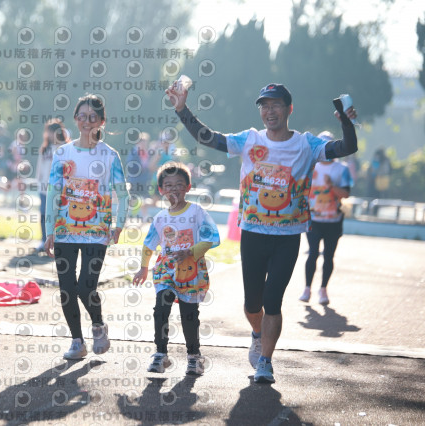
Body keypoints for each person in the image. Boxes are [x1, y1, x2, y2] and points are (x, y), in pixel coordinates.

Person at [165, 82, 358, 383]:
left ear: (289, 109)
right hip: (253, 232)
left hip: (288, 236)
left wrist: (346, 122)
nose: (269, 111)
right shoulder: (249, 139)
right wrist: (181, 109)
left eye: (276, 105)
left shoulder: (306, 144)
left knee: (273, 300)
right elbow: (209, 138)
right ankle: (257, 333)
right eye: (264, 106)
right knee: (252, 304)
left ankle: (266, 362)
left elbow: (346, 147)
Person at [44, 94, 129, 359]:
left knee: (85, 287)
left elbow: (122, 194)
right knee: (67, 289)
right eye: (82, 116)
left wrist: (119, 225)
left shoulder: (109, 155)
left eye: (93, 117)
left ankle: (98, 325)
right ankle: (77, 341)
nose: (87, 121)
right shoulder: (63, 153)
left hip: (97, 233)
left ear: (102, 121)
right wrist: (49, 230)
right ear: (75, 119)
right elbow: (53, 192)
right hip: (65, 231)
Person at [132, 162, 220, 375]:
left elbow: (212, 237)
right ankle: (160, 354)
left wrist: (190, 251)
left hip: (190, 271)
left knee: (189, 314)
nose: (174, 189)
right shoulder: (161, 217)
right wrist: (143, 267)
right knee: (161, 307)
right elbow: (149, 244)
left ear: (188, 187)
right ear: (161, 190)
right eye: (168, 185)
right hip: (166, 270)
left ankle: (194, 357)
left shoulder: (197, 212)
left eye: (179, 184)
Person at [301, 131, 354, 305]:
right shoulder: (309, 166)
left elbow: (346, 194)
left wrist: (331, 186)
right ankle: (307, 288)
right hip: (313, 219)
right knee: (313, 253)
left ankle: (323, 289)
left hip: (333, 220)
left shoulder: (341, 169)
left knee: (329, 256)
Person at [35, 118, 69, 252]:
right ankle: (44, 240)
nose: (49, 134)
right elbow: (40, 167)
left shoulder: (65, 148)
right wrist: (38, 181)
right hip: (44, 188)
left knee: (59, 216)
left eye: (51, 131)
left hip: (60, 189)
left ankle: (59, 242)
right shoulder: (45, 148)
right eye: (47, 132)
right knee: (44, 214)